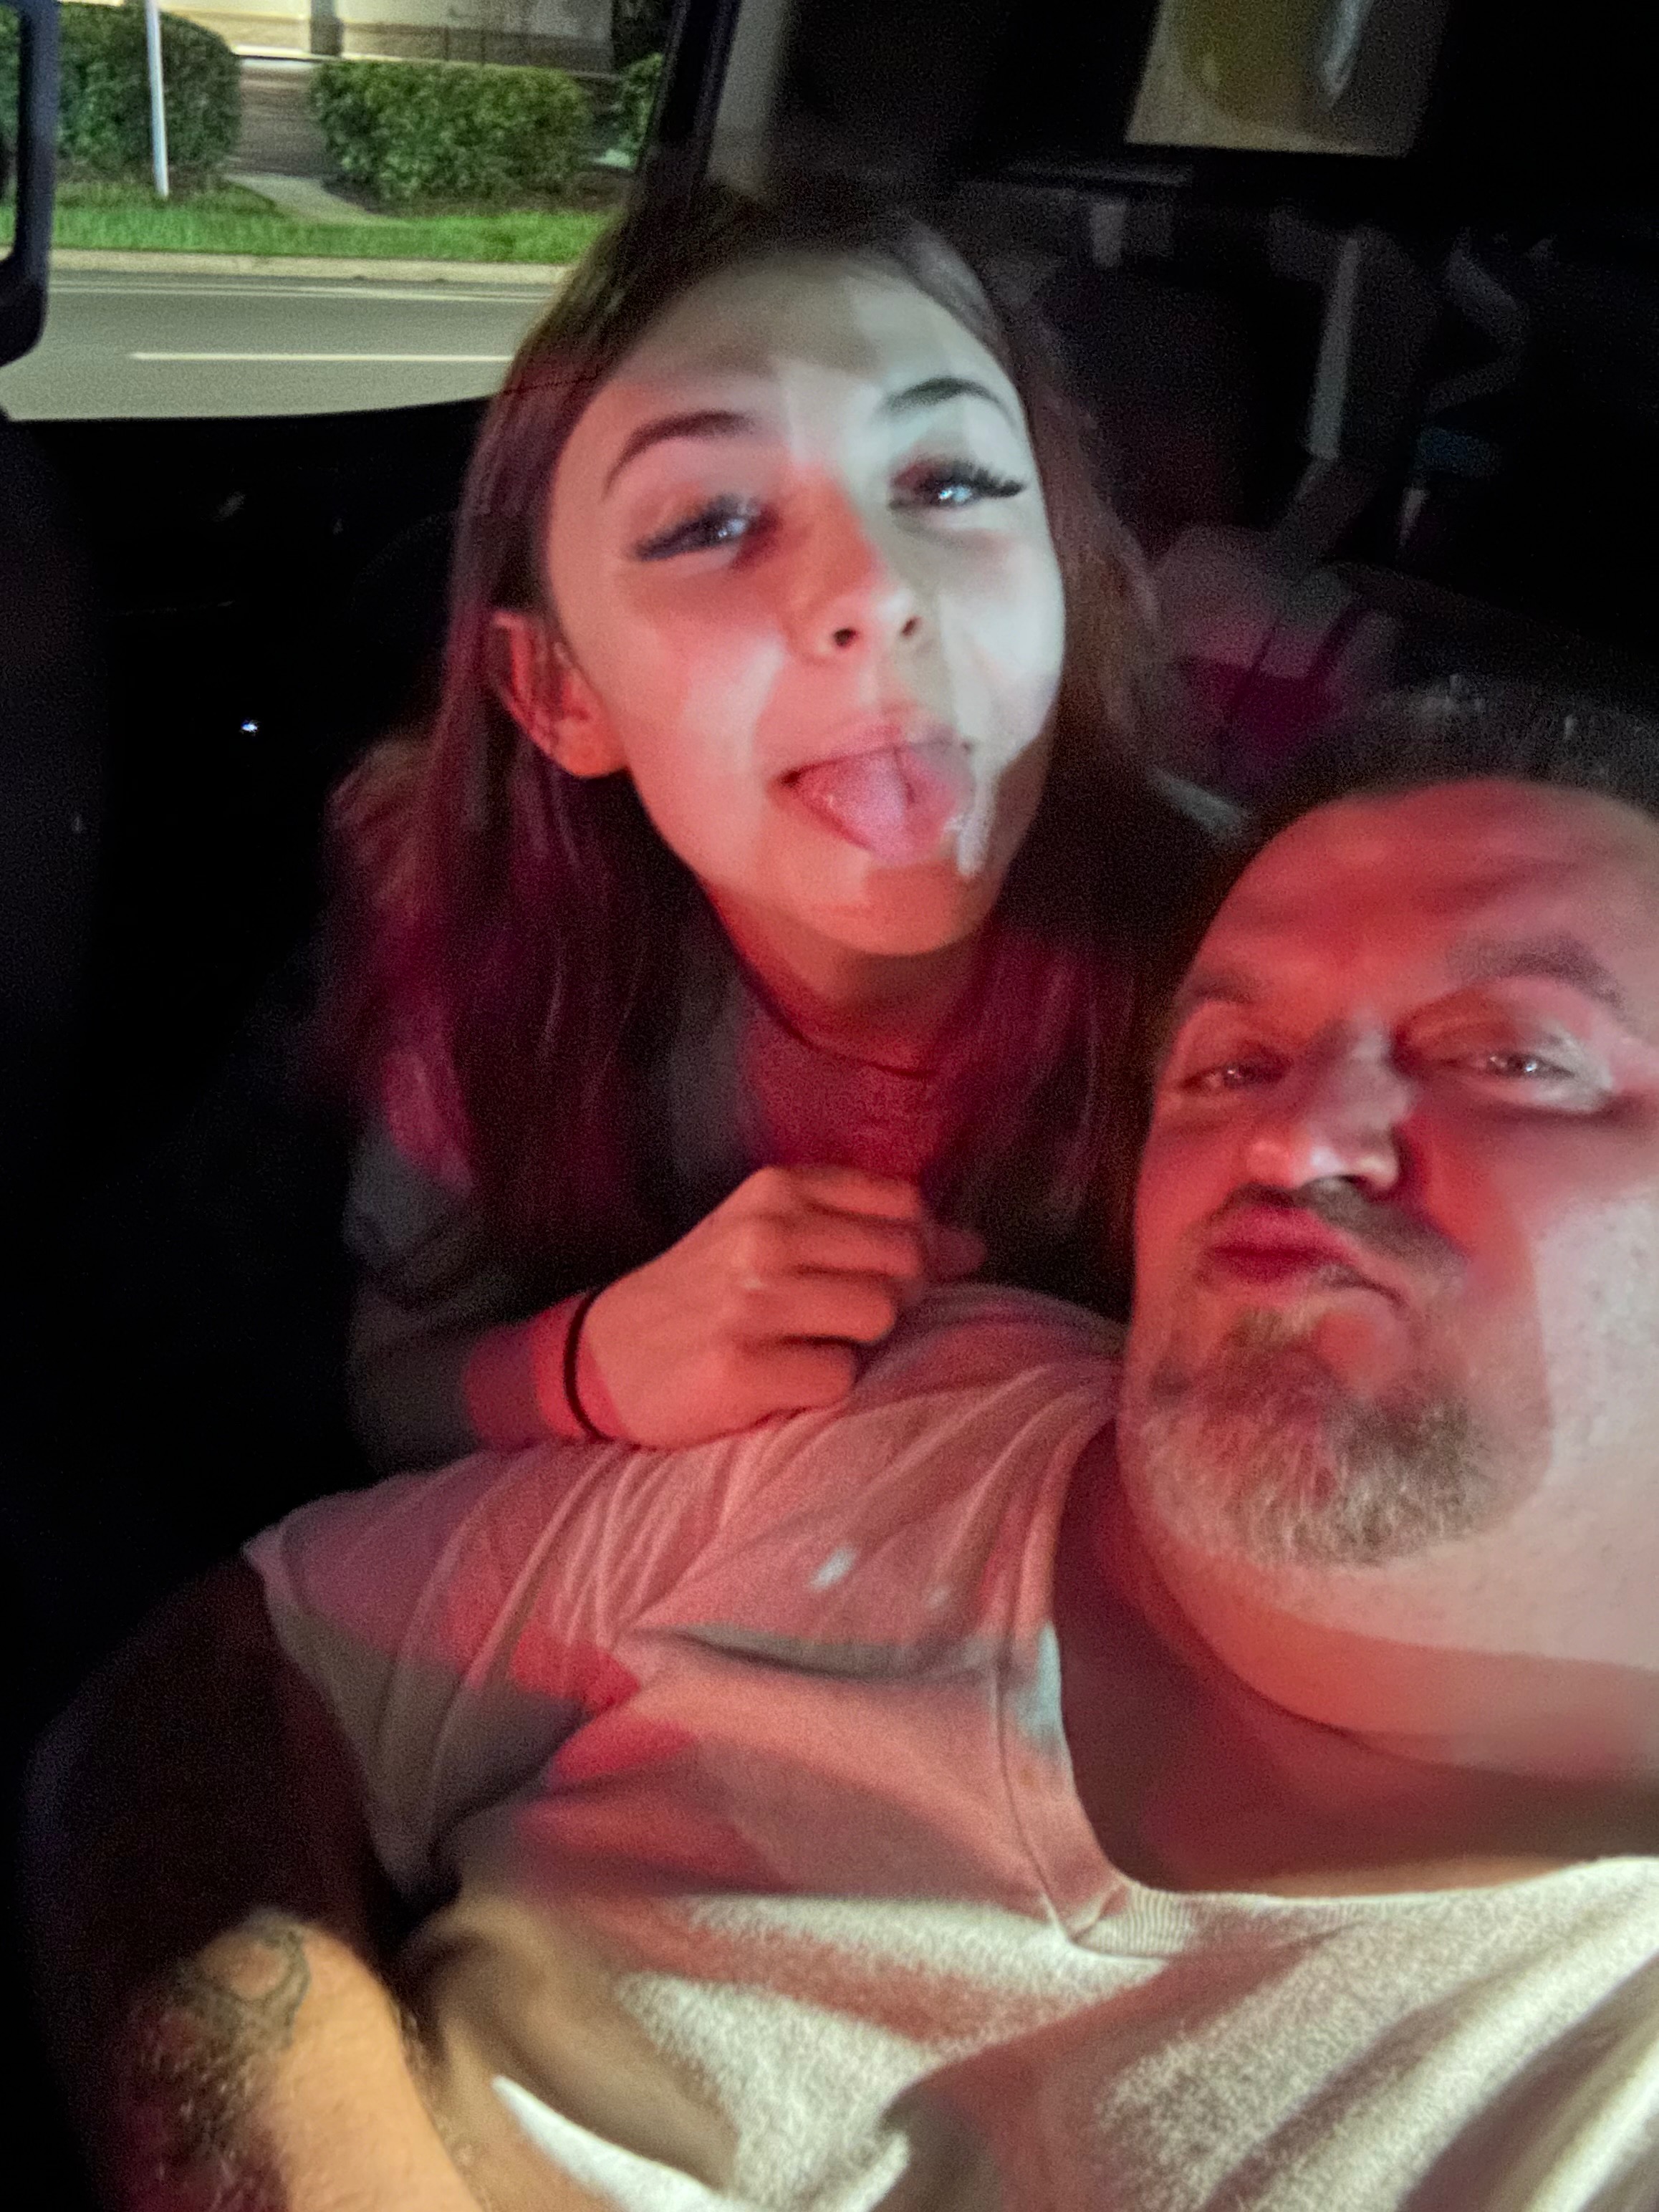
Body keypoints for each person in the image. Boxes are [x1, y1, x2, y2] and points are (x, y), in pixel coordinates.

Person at [34, 682, 1659, 2208]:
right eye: (1230, 1062)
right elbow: (218, 1689)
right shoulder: (924, 1406)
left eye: (1514, 1057)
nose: (1290, 1138)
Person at [324, 178, 1216, 1473]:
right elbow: (389, 1388)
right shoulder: (510, 970)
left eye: (953, 483)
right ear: (561, 692)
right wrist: (589, 1364)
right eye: (714, 521)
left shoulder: (1255, 955)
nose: (879, 590)